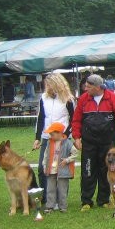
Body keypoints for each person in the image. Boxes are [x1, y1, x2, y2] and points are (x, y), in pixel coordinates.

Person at [72, 74, 115, 211]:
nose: (85, 88)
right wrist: (76, 138)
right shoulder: (83, 100)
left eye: (88, 86)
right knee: (88, 171)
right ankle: (86, 201)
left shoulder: (113, 99)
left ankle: (103, 200)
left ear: (97, 87)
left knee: (106, 170)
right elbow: (76, 120)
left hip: (107, 143)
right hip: (88, 143)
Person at [33, 73, 75, 204]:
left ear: (57, 84)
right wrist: (37, 138)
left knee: (61, 169)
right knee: (42, 168)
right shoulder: (43, 98)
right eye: (46, 85)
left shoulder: (68, 99)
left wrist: (66, 135)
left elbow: (74, 119)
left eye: (49, 84)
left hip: (62, 138)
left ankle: (61, 199)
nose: (47, 87)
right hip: (47, 137)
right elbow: (41, 118)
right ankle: (46, 198)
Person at [41, 122, 78, 213]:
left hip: (63, 170)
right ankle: (50, 206)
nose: (50, 136)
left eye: (52, 134)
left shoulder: (68, 143)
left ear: (59, 133)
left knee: (62, 189)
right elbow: (45, 155)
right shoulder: (49, 143)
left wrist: (67, 160)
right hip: (51, 169)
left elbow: (75, 153)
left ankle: (63, 207)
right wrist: (44, 165)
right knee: (50, 188)